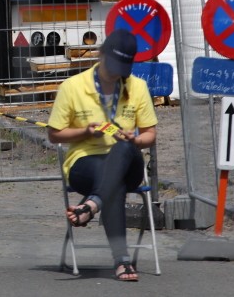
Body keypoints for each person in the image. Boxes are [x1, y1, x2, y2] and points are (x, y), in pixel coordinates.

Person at [47, 28, 158, 282]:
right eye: (113, 65)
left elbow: (150, 134)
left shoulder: (137, 87)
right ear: (101, 54)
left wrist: (136, 139)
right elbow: (54, 135)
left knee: (123, 148)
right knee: (113, 183)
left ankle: (93, 203)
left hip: (129, 161)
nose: (116, 73)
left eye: (122, 68)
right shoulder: (72, 87)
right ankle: (122, 261)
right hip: (85, 162)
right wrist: (85, 132)